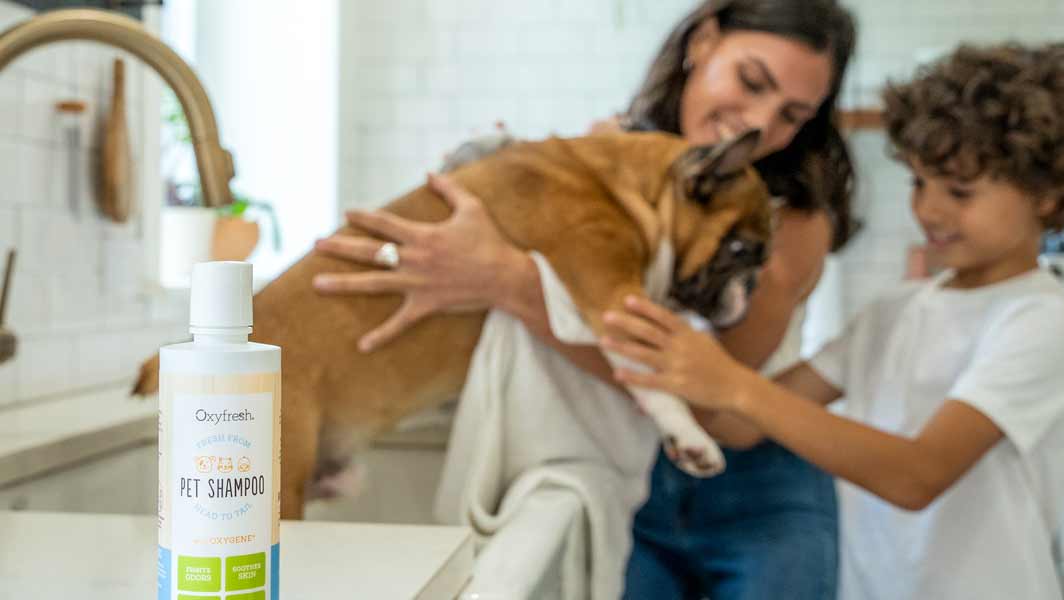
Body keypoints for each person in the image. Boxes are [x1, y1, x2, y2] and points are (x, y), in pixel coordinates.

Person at [311, 1, 857, 597]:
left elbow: (713, 411)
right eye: (751, 81)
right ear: (702, 40)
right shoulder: (610, 159)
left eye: (793, 115)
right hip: (636, 488)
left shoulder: (792, 222)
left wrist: (512, 284)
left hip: (759, 496)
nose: (758, 123)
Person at [598, 42, 1064, 599]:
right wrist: (668, 365)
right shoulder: (896, 312)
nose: (929, 211)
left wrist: (731, 384)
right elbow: (743, 426)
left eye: (960, 192)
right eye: (920, 183)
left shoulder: (1040, 319)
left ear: (1047, 195)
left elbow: (917, 475)